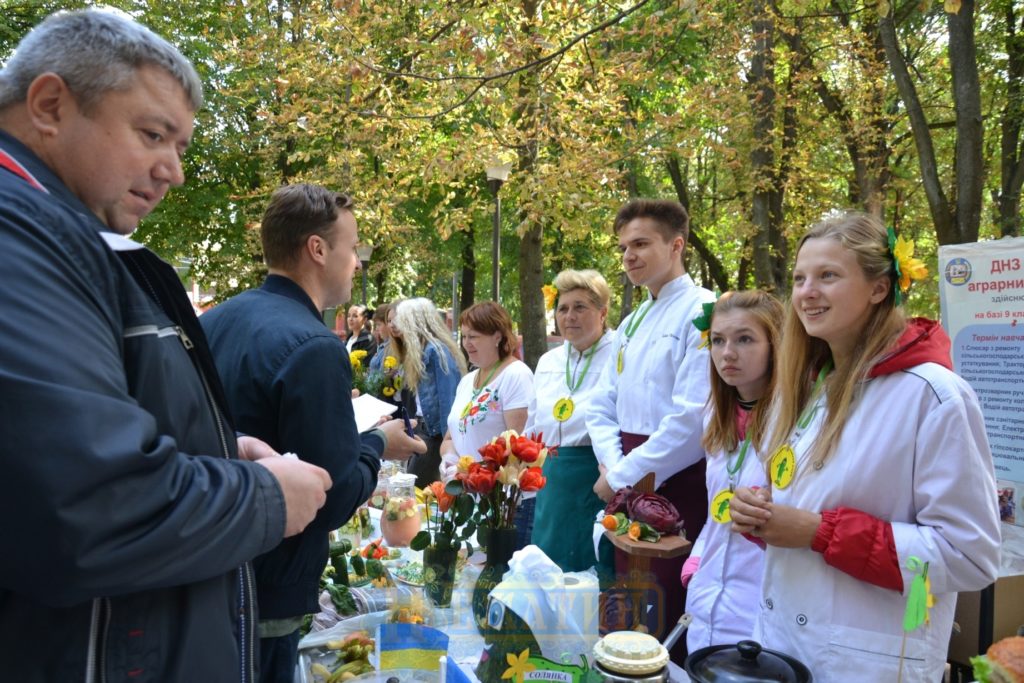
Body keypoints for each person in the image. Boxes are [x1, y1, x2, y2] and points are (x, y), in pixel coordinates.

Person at [0, 9, 332, 682]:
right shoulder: (22, 237)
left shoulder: (70, 238)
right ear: (50, 105)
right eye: (154, 135)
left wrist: (213, 448)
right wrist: (268, 497)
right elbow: (86, 508)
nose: (173, 170)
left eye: (180, 146)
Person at [729, 211, 1000, 682]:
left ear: (878, 288)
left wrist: (818, 532)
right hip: (784, 644)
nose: (806, 292)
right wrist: (761, 513)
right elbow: (806, 500)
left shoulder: (934, 395)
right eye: (799, 278)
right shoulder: (811, 390)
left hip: (868, 661)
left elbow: (969, 554)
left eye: (828, 276)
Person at [200, 184, 426, 683]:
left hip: (212, 574)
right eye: (353, 248)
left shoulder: (214, 322)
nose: (357, 264)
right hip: (269, 585)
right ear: (318, 250)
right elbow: (333, 494)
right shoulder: (315, 346)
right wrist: (376, 444)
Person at [585, 198, 714, 659]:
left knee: (664, 603)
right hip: (625, 472)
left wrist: (624, 477)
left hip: (674, 483)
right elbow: (601, 402)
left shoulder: (704, 311)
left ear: (676, 245)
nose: (628, 257)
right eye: (623, 248)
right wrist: (614, 466)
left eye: (640, 244)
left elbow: (691, 419)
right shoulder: (634, 319)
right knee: (627, 599)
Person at [680, 290, 782, 652]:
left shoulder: (797, 423)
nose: (727, 353)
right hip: (707, 604)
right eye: (718, 340)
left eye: (745, 339)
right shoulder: (715, 416)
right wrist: (696, 565)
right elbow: (716, 511)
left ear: (776, 344)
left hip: (762, 615)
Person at [526, 269, 615, 572]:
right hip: (552, 479)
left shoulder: (619, 353)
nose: (569, 316)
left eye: (580, 307)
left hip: (596, 475)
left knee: (591, 571)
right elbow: (533, 422)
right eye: (562, 308)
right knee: (548, 570)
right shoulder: (549, 361)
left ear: (602, 312)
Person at [440, 301, 536, 548]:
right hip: (470, 497)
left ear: (497, 337)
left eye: (474, 336)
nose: (466, 343)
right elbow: (450, 438)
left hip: (505, 503)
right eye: (464, 336)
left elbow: (518, 450)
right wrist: (451, 461)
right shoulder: (468, 380)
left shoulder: (516, 375)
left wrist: (474, 472)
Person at [389, 298, 467, 488]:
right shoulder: (424, 350)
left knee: (413, 490)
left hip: (434, 435)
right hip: (426, 431)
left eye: (402, 320)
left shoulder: (435, 351)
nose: (398, 325)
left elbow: (447, 399)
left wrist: (448, 442)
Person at [368, 302, 393, 373]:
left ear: (388, 324)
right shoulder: (384, 345)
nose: (376, 328)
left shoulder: (392, 347)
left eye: (379, 325)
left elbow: (382, 378)